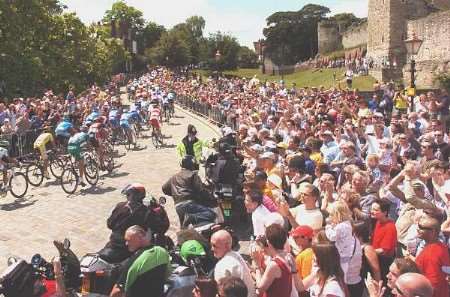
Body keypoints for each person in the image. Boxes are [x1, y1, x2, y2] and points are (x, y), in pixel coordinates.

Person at [99, 183, 169, 263]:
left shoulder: (120, 206)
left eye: (128, 195)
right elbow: (160, 227)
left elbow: (110, 224)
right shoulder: (146, 212)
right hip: (130, 248)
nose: (128, 197)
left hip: (114, 242)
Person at [110, 225, 171, 297]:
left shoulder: (136, 261)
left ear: (140, 238)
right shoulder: (162, 251)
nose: (126, 244)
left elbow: (117, 290)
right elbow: (167, 274)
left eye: (128, 240)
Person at [162, 155, 216, 228]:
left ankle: (183, 237)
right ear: (192, 164)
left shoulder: (174, 177)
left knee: (184, 227)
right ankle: (192, 218)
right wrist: (211, 198)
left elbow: (164, 188)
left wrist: (176, 195)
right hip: (189, 203)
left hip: (178, 206)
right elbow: (200, 190)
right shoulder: (192, 174)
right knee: (211, 214)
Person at [251, 224, 303, 297]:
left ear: (268, 242)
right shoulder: (289, 257)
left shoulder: (274, 265)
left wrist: (257, 266)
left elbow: (260, 289)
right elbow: (300, 287)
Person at [211, 230, 256, 297]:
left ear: (226, 246)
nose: (212, 249)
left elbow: (223, 293)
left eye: (214, 246)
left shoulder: (222, 265)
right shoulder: (236, 255)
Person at [414, 215, 450, 297]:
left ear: (433, 231)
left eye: (422, 227)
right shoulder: (441, 246)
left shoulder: (432, 253)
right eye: (418, 226)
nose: (418, 229)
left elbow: (433, 284)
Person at [370, 198, 397, 288]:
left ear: (385, 213)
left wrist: (368, 252)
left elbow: (384, 250)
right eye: (372, 209)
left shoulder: (390, 227)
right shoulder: (378, 222)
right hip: (376, 257)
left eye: (376, 210)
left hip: (383, 262)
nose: (372, 211)